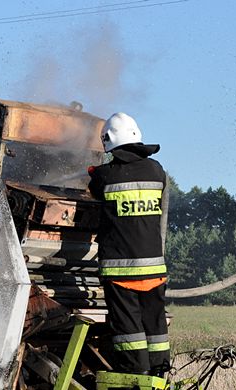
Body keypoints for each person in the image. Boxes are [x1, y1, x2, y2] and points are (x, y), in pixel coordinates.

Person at [88, 112, 169, 376]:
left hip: (121, 273)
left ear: (108, 142)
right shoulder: (157, 171)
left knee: (129, 332)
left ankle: (136, 379)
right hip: (154, 272)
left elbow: (95, 188)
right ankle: (159, 376)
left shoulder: (104, 176)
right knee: (155, 328)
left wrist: (94, 173)